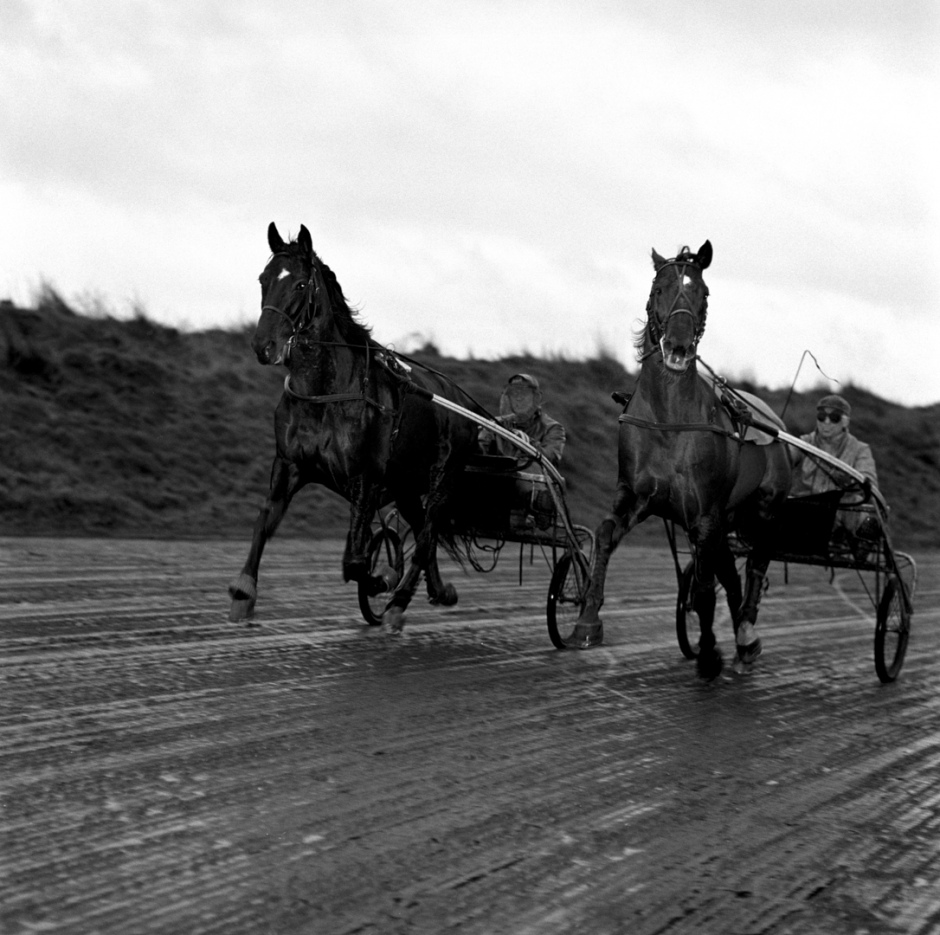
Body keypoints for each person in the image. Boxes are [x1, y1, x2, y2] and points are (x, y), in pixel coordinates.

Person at [790, 393, 880, 545]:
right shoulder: (803, 443)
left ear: (845, 422)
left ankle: (857, 540)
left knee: (861, 508)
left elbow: (869, 479)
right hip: (807, 506)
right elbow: (786, 458)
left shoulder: (860, 449)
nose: (826, 422)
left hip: (842, 507)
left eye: (834, 418)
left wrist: (851, 480)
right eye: (821, 416)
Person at [478, 373, 566, 528]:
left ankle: (533, 512)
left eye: (524, 394)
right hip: (497, 482)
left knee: (528, 480)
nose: (518, 399)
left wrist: (525, 441)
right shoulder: (495, 424)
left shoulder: (553, 428)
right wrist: (479, 437)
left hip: (532, 483)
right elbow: (480, 450)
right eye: (514, 394)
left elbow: (550, 457)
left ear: (536, 398)